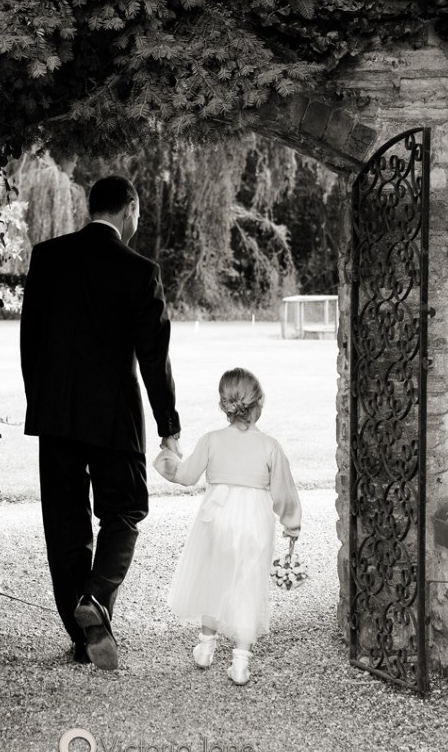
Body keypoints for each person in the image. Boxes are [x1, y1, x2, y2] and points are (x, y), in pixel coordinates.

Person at [20, 175, 182, 670]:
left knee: (64, 525)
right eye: (138, 213)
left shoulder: (47, 258)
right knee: (125, 510)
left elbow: (30, 341)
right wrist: (168, 426)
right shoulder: (140, 270)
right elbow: (154, 357)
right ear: (129, 209)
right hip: (113, 418)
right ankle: (96, 599)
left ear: (91, 207)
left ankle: (82, 638)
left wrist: (42, 403)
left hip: (55, 416)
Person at [153, 367, 301, 685]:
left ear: (225, 405)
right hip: (254, 521)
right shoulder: (270, 446)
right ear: (259, 403)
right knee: (248, 585)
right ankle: (240, 663)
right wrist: (292, 524)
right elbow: (284, 490)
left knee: (214, 578)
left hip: (217, 517)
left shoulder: (211, 441)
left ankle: (206, 648)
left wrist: (168, 457)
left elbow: (185, 475)